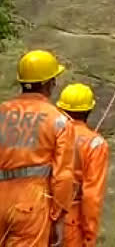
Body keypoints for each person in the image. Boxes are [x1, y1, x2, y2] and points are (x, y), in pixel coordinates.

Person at [0, 50, 75, 246]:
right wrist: (58, 218)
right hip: (30, 204)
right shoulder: (58, 120)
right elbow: (63, 176)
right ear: (47, 83)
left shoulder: (2, 112)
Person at [57, 83, 109, 247]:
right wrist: (89, 234)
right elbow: (91, 196)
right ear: (89, 109)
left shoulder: (50, 133)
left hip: (40, 215)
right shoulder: (95, 143)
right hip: (71, 221)